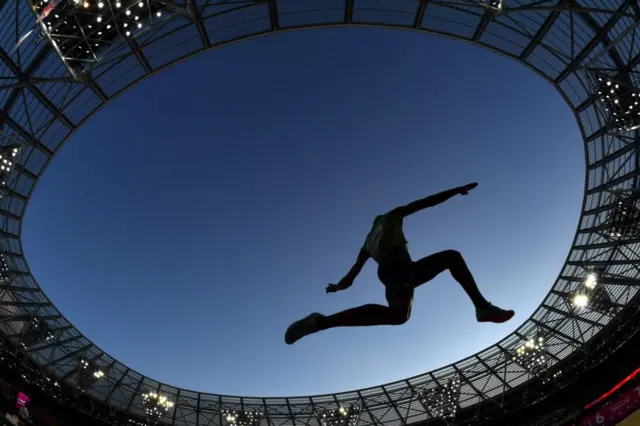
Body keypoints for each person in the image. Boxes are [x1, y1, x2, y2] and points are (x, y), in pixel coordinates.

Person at [285, 183, 514, 345]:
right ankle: (322, 322)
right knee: (399, 313)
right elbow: (424, 203)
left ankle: (483, 308)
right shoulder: (391, 217)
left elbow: (350, 278)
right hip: (398, 269)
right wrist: (454, 192)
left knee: (450, 258)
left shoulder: (366, 244)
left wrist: (337, 287)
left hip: (401, 272)